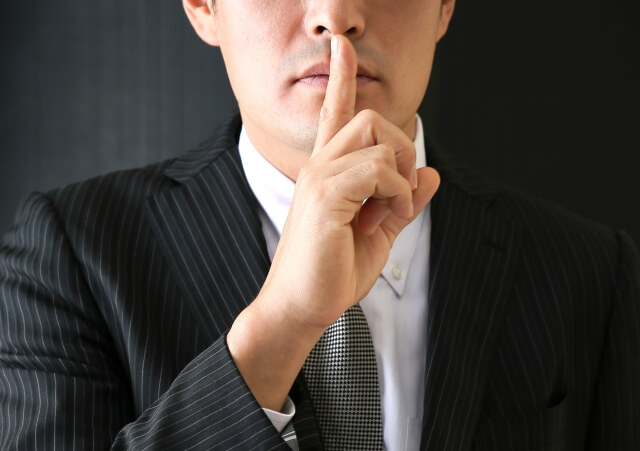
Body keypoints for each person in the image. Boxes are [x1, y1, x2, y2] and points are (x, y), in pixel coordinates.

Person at [1, 0, 638, 449]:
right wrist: (282, 323)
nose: (337, 14)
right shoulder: (69, 254)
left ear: (445, 5)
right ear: (202, 6)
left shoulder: (590, 272)